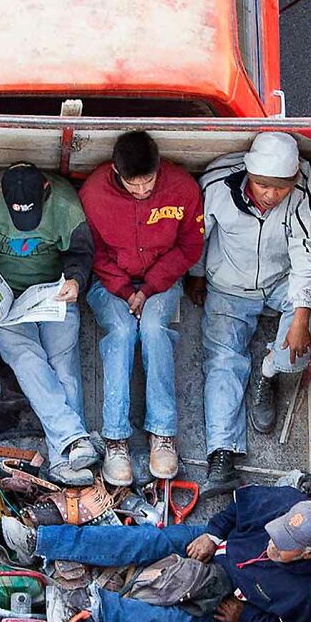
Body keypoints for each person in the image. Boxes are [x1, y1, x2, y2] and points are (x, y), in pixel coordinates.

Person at [186, 132, 311, 495]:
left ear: (293, 181)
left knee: (298, 347)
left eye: (279, 188)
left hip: (281, 282)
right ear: (249, 174)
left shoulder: (305, 194)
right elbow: (198, 236)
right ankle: (221, 455)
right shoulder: (217, 184)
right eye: (263, 185)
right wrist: (198, 276)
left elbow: (308, 259)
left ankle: (268, 371)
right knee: (222, 361)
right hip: (229, 287)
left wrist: (300, 316)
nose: (269, 195)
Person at [0, 162, 98, 485]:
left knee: (63, 364)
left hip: (52, 291)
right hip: (3, 294)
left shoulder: (66, 207)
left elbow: (81, 254)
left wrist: (75, 281)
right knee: (25, 357)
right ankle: (73, 442)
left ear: (45, 192)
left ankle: (63, 455)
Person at [35, 485, 311, 622]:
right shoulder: (285, 501)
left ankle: (96, 608)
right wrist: (213, 535)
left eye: (283, 547)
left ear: (308, 553)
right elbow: (238, 508)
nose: (272, 545)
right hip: (219, 546)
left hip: (232, 598)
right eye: (275, 533)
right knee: (145, 541)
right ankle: (46, 541)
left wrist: (245, 616)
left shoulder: (307, 595)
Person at [80, 130, 204, 484]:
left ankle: (163, 434)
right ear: (116, 173)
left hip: (161, 280)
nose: (142, 191)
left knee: (152, 329)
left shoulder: (182, 189)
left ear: (158, 167)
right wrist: (123, 288)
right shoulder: (92, 194)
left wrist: (149, 288)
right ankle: (115, 439)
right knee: (120, 332)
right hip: (110, 283)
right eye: (133, 185)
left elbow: (190, 246)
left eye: (148, 182)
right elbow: (94, 253)